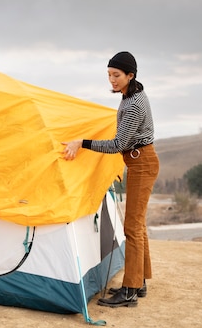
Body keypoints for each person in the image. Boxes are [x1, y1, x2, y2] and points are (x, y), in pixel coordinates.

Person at [62, 51, 159, 308]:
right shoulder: (129, 96)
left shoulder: (134, 104)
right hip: (139, 161)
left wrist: (82, 143)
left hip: (142, 163)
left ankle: (129, 291)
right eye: (109, 75)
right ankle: (139, 282)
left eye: (116, 75)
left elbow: (118, 144)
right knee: (137, 225)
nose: (112, 80)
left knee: (132, 227)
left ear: (131, 75)